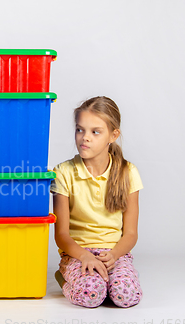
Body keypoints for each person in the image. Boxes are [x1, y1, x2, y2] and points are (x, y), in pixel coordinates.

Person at [51, 96, 143, 308]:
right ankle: (63, 277)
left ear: (113, 135)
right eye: (80, 130)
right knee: (90, 296)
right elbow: (62, 235)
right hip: (77, 253)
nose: (85, 138)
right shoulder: (63, 172)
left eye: (95, 131)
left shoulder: (128, 173)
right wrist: (84, 256)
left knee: (125, 296)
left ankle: (112, 281)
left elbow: (130, 233)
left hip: (114, 253)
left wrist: (114, 255)